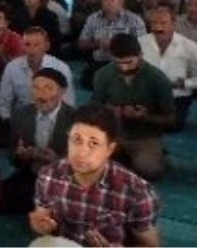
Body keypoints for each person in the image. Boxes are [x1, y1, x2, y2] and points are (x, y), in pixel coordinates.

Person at [30, 105, 160, 246]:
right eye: (76, 140)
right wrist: (40, 227)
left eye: (93, 143)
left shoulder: (137, 192)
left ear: (109, 149)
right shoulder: (49, 175)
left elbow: (151, 245)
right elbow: (43, 219)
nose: (81, 152)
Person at [90, 33, 175, 181]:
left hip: (145, 135)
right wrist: (109, 113)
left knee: (149, 170)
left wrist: (145, 117)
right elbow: (93, 111)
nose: (124, 67)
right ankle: (124, 158)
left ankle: (152, 155)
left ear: (140, 55)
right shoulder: (102, 75)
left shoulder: (157, 78)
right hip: (113, 133)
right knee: (89, 164)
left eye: (129, 62)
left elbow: (171, 118)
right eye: (118, 63)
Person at [0, 67, 75, 216]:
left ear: (62, 92)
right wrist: (21, 156)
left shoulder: (75, 119)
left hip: (64, 180)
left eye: (48, 88)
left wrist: (57, 161)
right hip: (32, 172)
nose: (41, 94)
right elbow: (12, 152)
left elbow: (83, 163)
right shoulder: (21, 114)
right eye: (36, 88)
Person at [138, 4, 197, 131]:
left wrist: (184, 83)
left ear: (174, 23)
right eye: (154, 23)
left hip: (176, 95)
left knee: (173, 125)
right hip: (146, 95)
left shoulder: (190, 46)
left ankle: (150, 119)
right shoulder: (140, 43)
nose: (158, 27)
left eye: (163, 23)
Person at [0, 27, 75, 124]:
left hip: (53, 120)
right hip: (21, 120)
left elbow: (68, 104)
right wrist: (8, 121)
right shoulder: (12, 67)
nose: (31, 50)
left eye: (37, 45)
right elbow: (3, 101)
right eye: (27, 44)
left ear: (47, 46)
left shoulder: (61, 68)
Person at [78, 0, 146, 89]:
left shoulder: (134, 19)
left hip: (126, 62)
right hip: (101, 62)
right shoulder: (93, 18)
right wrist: (98, 44)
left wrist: (118, 46)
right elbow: (81, 44)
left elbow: (143, 44)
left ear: (121, 1)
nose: (108, 2)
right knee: (86, 81)